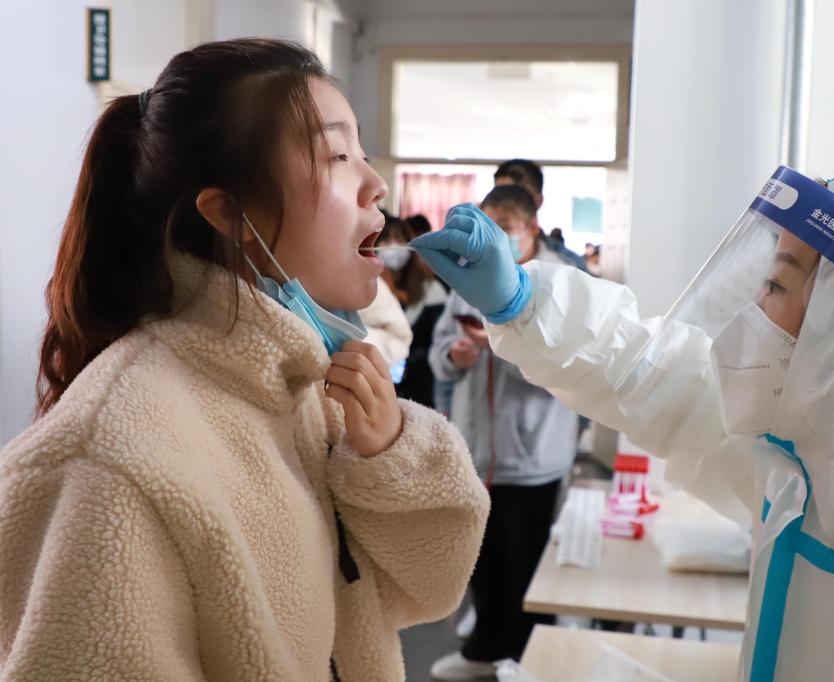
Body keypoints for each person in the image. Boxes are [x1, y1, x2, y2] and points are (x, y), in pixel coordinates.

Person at [413, 159, 834, 681]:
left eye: (776, 285)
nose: (755, 309)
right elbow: (659, 379)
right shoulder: (818, 464)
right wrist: (526, 304)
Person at [0, 39, 489, 681]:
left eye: (364, 154)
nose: (376, 185)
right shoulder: (112, 463)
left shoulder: (302, 388)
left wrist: (389, 452)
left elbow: (420, 593)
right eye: (338, 156)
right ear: (230, 212)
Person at [428, 185, 579, 680]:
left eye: (505, 230)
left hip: (533, 454)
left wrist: (495, 347)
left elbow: (564, 372)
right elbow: (440, 348)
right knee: (484, 558)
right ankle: (485, 653)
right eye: (487, 230)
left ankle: (529, 661)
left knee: (527, 568)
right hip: (478, 449)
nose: (494, 241)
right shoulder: (470, 273)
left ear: (531, 228)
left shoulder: (559, 282)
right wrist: (456, 356)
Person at [377, 213, 447, 407]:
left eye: (399, 239)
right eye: (385, 240)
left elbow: (437, 340)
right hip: (379, 385)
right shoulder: (368, 288)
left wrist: (405, 363)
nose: (392, 246)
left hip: (420, 388)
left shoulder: (431, 290)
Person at [494, 158, 589, 271]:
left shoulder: (568, 266)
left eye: (514, 196)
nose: (502, 204)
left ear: (538, 200)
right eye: (497, 195)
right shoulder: (483, 256)